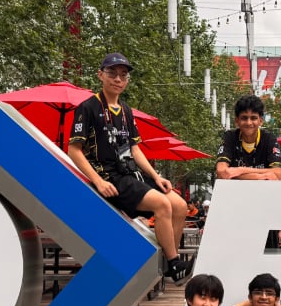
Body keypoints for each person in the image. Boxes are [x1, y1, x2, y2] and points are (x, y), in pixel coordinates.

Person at [66, 53, 191, 286]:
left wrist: (156, 176)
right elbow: (74, 150)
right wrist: (99, 182)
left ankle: (164, 262)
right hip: (110, 176)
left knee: (180, 206)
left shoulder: (126, 110)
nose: (118, 79)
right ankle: (174, 262)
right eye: (112, 73)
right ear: (100, 75)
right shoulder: (87, 108)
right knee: (162, 205)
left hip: (132, 173)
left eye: (123, 75)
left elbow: (134, 148)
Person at [215, 95, 281, 181]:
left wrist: (240, 170)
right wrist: (261, 177)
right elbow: (221, 171)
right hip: (235, 192)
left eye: (253, 118)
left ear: (260, 121)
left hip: (262, 192)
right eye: (244, 118)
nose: (249, 122)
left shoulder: (269, 138)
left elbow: (278, 174)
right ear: (237, 121)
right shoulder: (229, 137)